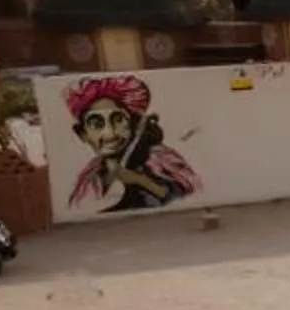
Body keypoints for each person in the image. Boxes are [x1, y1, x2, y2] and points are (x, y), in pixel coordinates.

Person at [65, 75, 199, 213]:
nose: (110, 134)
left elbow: (185, 196)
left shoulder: (159, 158)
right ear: (82, 134)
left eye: (118, 120)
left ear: (133, 124)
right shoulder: (91, 174)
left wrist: (139, 180)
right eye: (96, 124)